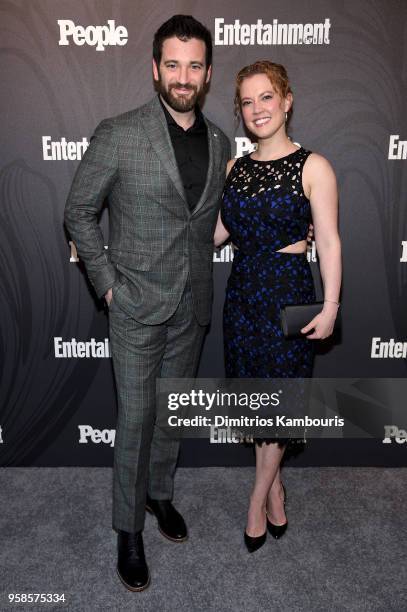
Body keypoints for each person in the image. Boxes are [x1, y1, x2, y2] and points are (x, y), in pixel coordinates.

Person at [64, 15, 230, 590]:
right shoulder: (120, 131)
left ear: (208, 73)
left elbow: (205, 222)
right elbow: (79, 212)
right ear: (154, 68)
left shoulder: (220, 141)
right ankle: (127, 530)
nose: (183, 77)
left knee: (170, 414)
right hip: (134, 303)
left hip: (193, 306)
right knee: (135, 419)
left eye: (194, 65)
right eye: (173, 64)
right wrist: (107, 282)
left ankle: (160, 495)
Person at [214, 60, 341, 552]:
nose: (257, 109)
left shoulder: (314, 167)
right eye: (247, 101)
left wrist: (330, 305)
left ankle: (255, 500)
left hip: (288, 293)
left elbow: (328, 241)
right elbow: (218, 234)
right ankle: (276, 487)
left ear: (286, 100)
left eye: (266, 97)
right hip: (243, 294)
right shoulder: (233, 169)